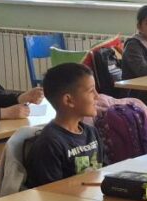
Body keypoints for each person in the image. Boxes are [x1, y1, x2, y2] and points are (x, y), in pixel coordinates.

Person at [24, 62, 104, 190]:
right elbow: (50, 193)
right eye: (91, 91)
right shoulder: (49, 143)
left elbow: (103, 171)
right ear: (68, 100)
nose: (97, 96)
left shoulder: (91, 132)